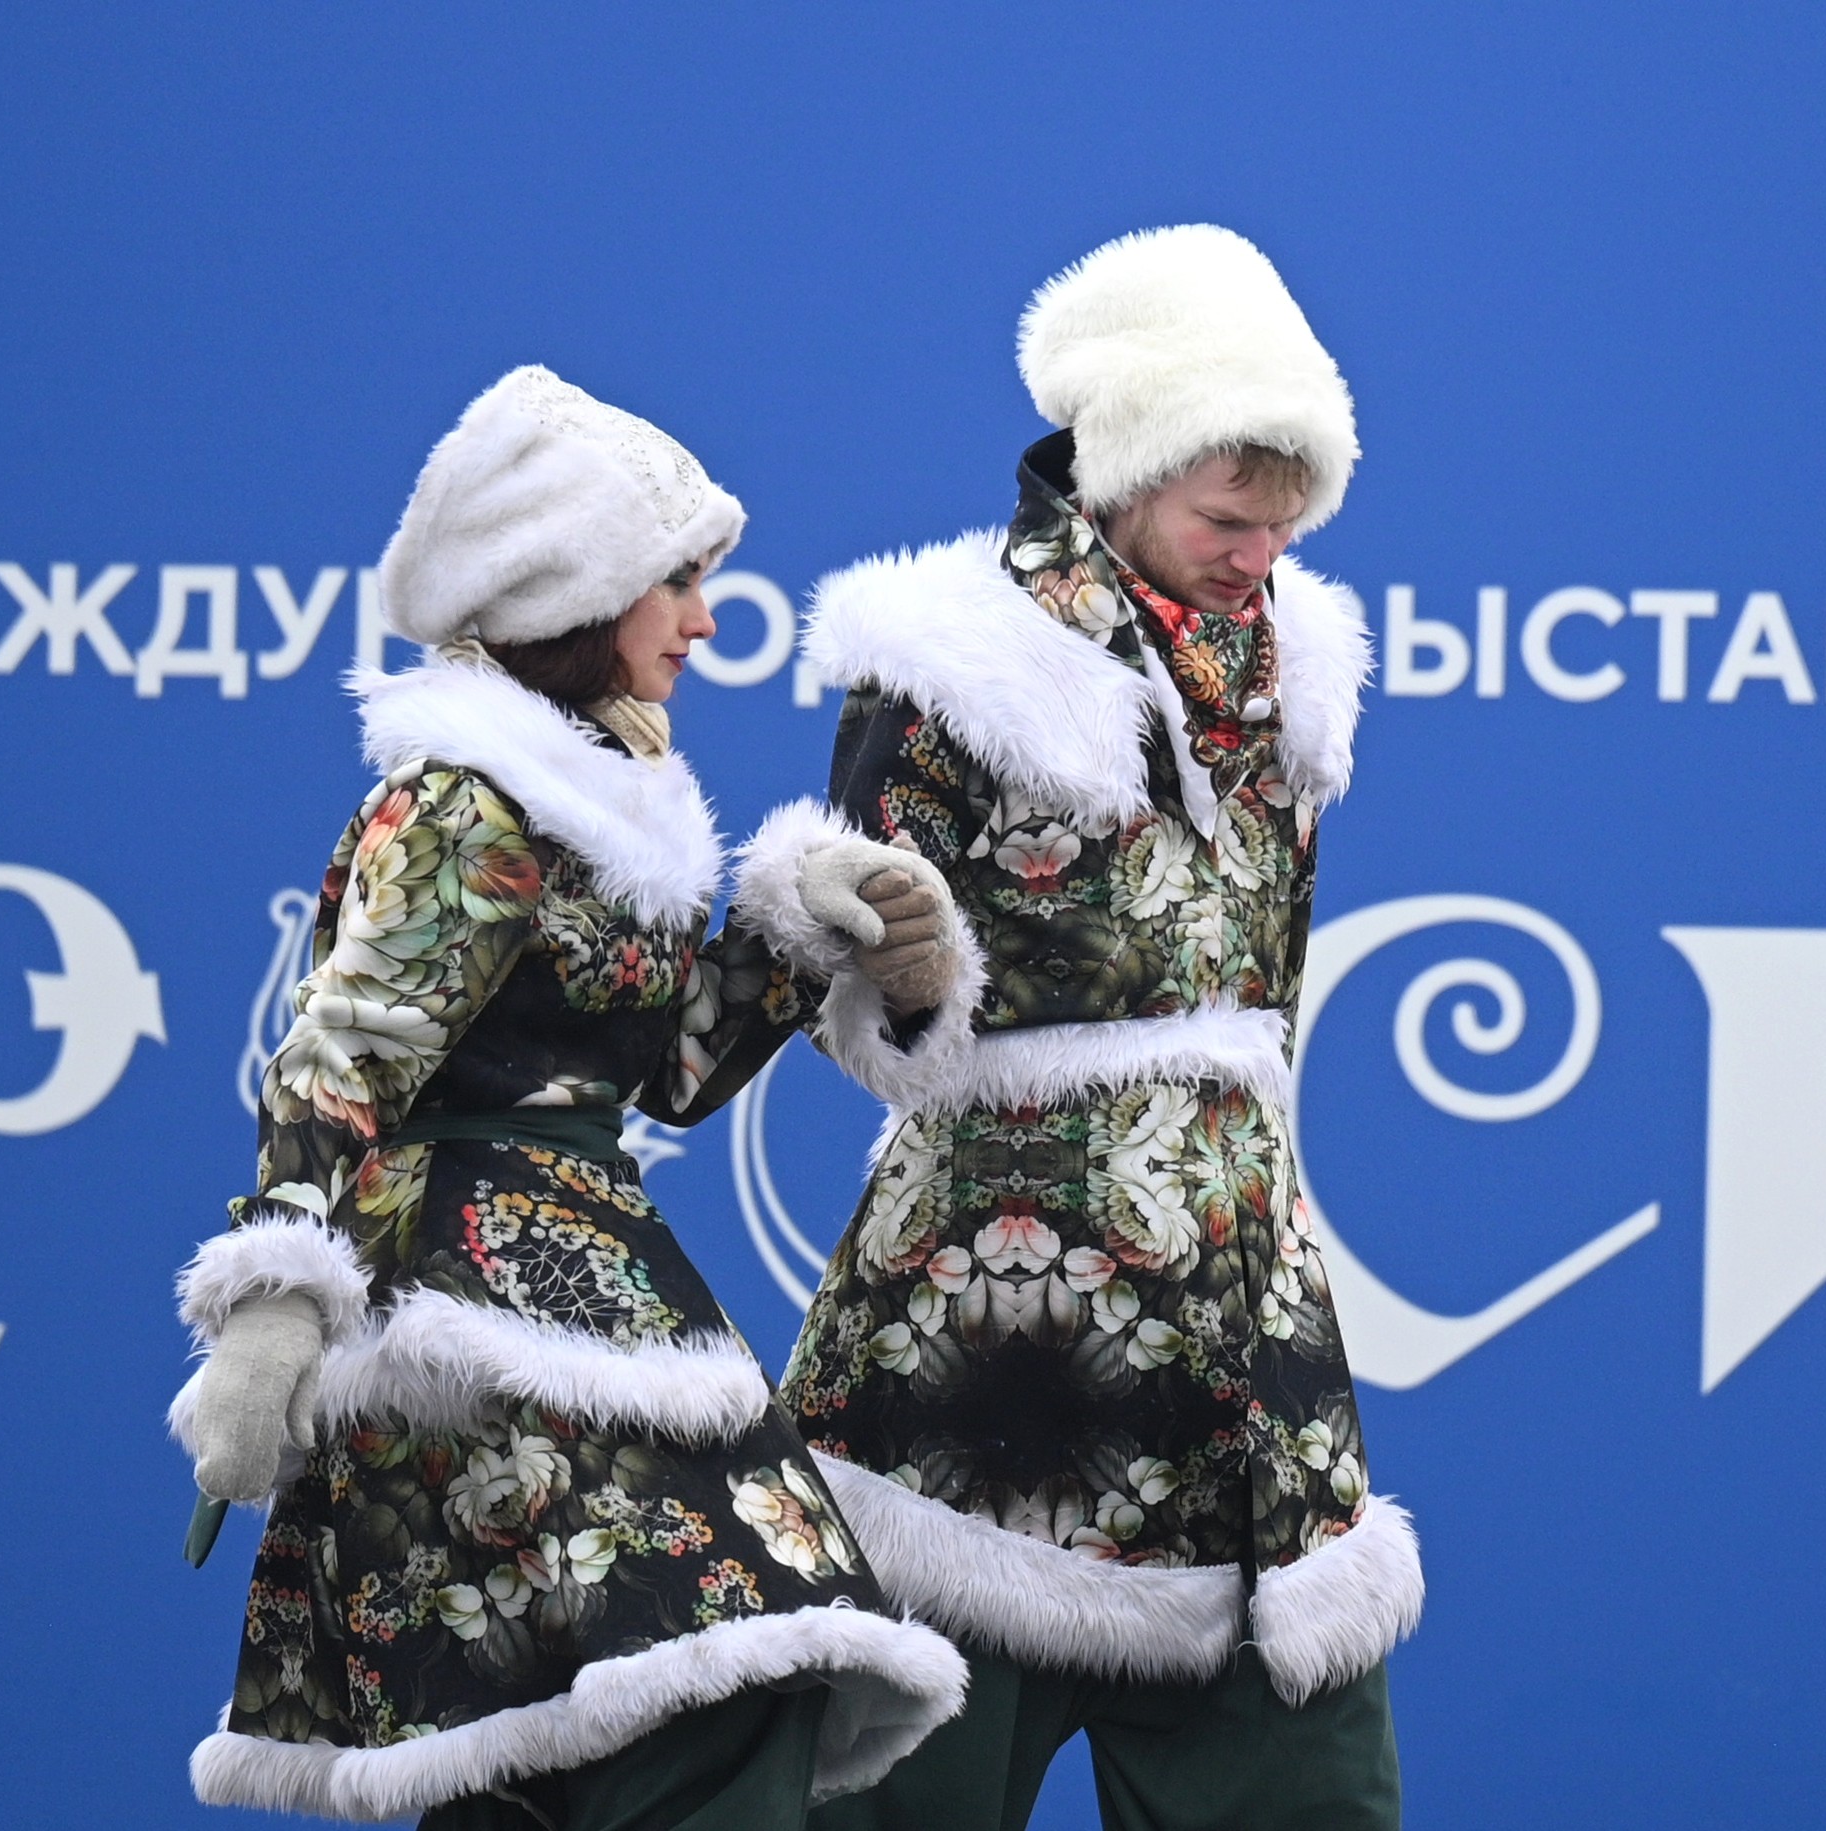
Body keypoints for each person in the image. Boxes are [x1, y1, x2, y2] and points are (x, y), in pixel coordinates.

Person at [171, 366, 970, 1830]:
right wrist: (274, 1303)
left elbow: (661, 1076)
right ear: (578, 593)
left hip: (587, 1275)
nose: (707, 619)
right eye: (680, 580)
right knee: (699, 1684)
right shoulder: (470, 798)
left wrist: (805, 924)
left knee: (563, 1745)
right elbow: (342, 1052)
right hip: (463, 1314)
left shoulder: (609, 788)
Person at [725, 225, 1414, 1831]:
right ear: (1122, 479)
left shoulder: (1303, 660)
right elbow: (853, 992)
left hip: (1243, 1326)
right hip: (988, 1334)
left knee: (1310, 1798)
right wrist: (885, 958)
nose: (1257, 554)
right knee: (892, 1799)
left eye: (1285, 521)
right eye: (1225, 519)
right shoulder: (952, 657)